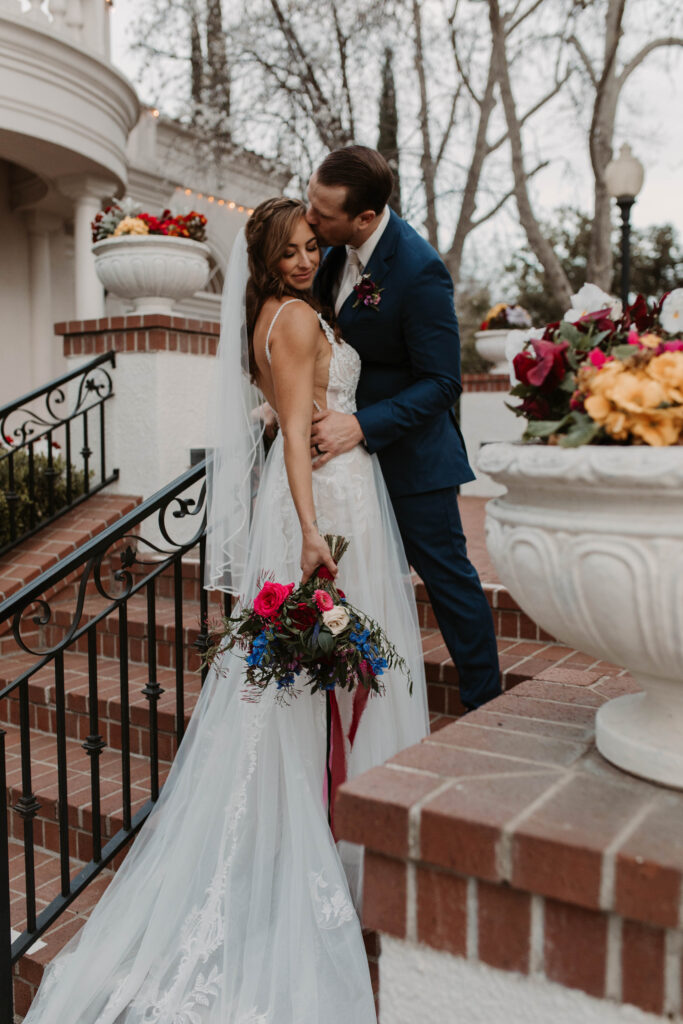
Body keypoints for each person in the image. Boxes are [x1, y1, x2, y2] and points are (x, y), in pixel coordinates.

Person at [22, 198, 429, 1023]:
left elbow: (286, 417)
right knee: (306, 685)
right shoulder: (294, 322)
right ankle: (304, 851)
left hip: (323, 493)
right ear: (266, 259)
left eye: (312, 245)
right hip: (322, 508)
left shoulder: (286, 316)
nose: (306, 257)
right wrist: (314, 533)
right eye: (291, 249)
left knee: (319, 680)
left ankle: (332, 836)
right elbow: (292, 424)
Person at [308, 145, 500, 710]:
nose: (310, 217)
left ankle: (485, 706)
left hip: (415, 462)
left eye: (323, 212)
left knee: (450, 583)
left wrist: (360, 425)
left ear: (364, 217)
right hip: (347, 469)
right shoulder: (332, 255)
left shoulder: (420, 270)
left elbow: (443, 383)